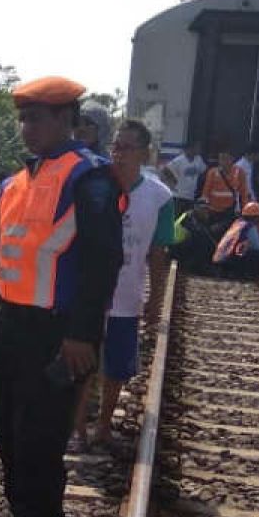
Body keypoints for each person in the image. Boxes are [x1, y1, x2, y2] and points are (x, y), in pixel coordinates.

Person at [0, 76, 123, 517]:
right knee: (7, 438)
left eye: (37, 117)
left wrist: (83, 335)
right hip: (15, 325)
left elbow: (105, 260)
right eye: (24, 117)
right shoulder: (18, 181)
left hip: (58, 332)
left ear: (65, 120)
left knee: (38, 449)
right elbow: (6, 263)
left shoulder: (90, 179)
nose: (27, 127)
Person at [76, 120, 173, 446]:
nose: (118, 154)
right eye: (115, 146)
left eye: (127, 147)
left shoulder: (159, 197)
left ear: (144, 154)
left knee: (115, 368)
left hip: (126, 297)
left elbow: (158, 256)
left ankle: (103, 426)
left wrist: (155, 301)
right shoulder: (93, 187)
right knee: (82, 364)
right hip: (87, 296)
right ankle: (76, 427)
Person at [200, 148, 251, 234]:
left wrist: (245, 212)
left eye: (225, 158)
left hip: (230, 213)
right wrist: (204, 209)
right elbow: (205, 193)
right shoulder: (212, 172)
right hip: (213, 211)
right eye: (221, 158)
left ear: (232, 159)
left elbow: (243, 194)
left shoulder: (239, 172)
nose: (223, 161)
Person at [212, 201, 259, 278]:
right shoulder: (250, 226)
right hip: (232, 260)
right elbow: (258, 247)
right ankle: (247, 274)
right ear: (256, 217)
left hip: (220, 259)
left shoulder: (236, 224)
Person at [170, 198, 219, 273]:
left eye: (207, 209)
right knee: (202, 241)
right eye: (202, 208)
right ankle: (193, 266)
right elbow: (199, 233)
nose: (205, 211)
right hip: (174, 247)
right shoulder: (189, 217)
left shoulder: (195, 216)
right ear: (195, 207)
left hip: (180, 245)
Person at [160, 139, 206, 215]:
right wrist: (173, 181)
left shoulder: (199, 160)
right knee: (177, 217)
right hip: (179, 195)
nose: (198, 149)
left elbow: (204, 171)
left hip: (191, 196)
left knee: (187, 219)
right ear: (189, 149)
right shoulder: (179, 160)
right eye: (196, 147)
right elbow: (165, 169)